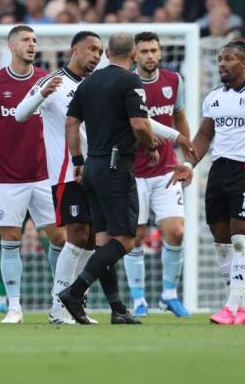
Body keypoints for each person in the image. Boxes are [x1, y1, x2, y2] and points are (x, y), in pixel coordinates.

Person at [57, 32, 194, 325]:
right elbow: (139, 123)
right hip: (116, 168)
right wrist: (151, 145)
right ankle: (75, 291)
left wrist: (78, 161)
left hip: (92, 166)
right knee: (127, 240)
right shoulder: (130, 81)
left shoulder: (89, 81)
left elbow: (71, 122)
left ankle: (118, 309)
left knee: (105, 239)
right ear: (133, 55)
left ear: (107, 52)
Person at [176, 41, 245, 325]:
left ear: (244, 63)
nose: (222, 64)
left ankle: (230, 306)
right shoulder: (213, 97)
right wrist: (189, 165)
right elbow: (203, 136)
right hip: (218, 172)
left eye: (228, 59)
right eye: (220, 58)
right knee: (222, 243)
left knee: (240, 241)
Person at [0, 25, 66, 324]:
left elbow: (65, 120)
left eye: (35, 40)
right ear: (11, 46)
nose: (32, 45)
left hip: (44, 175)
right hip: (9, 178)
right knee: (10, 239)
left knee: (59, 238)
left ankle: (60, 303)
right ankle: (13, 307)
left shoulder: (47, 81)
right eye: (26, 40)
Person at [15, 31, 103, 324]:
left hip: (96, 173)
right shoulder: (53, 82)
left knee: (90, 241)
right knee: (76, 236)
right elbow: (19, 114)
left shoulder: (95, 85)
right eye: (91, 49)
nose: (95, 55)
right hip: (66, 173)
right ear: (74, 49)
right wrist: (42, 94)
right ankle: (57, 305)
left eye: (100, 51)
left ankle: (75, 303)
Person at [123, 32, 191, 318]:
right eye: (145, 51)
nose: (150, 55)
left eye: (154, 50)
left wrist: (187, 162)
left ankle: (169, 295)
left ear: (160, 53)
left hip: (165, 170)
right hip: (133, 171)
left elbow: (180, 118)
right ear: (134, 56)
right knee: (134, 236)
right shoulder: (126, 84)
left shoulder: (174, 81)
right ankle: (138, 299)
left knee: (176, 232)